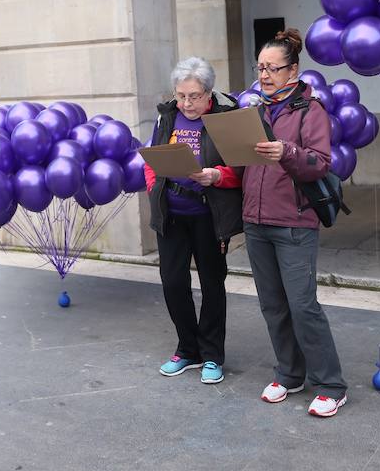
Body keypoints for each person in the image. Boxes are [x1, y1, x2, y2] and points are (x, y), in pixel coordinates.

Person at [242, 29, 348, 418]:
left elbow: (320, 162)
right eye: (260, 68)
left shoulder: (310, 109)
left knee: (303, 306)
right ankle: (289, 374)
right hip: (255, 220)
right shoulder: (255, 109)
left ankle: (331, 384)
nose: (265, 75)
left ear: (293, 70)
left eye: (273, 68)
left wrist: (286, 151)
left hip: (294, 223)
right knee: (273, 305)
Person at [145, 56, 243, 384]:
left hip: (208, 215)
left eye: (194, 96)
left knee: (212, 285)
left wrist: (216, 176)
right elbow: (152, 157)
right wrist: (153, 187)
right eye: (181, 95)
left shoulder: (226, 117)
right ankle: (188, 350)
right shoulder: (167, 116)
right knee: (173, 283)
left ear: (209, 93)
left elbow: (243, 169)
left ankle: (212, 354)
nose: (187, 103)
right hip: (172, 214)